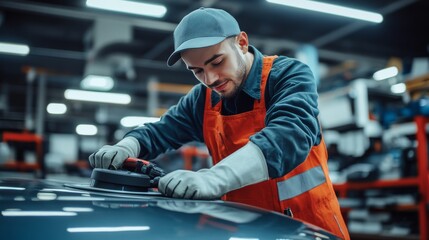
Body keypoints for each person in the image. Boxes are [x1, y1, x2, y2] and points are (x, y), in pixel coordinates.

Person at [89, 7, 349, 239]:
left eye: (217, 62)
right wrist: (127, 146)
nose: (210, 78)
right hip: (246, 231)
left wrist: (213, 180)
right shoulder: (203, 99)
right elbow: (160, 131)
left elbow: (288, 136)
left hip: (309, 229)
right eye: (198, 71)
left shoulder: (288, 76)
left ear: (242, 43)